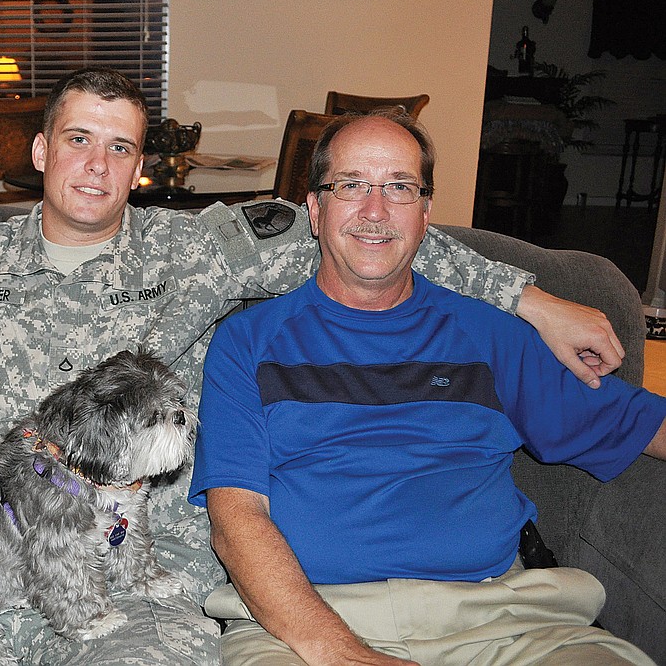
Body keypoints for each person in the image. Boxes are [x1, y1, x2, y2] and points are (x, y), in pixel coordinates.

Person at [0, 69, 621, 665]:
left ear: (141, 168)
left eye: (120, 147)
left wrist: (533, 296)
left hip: (143, 569)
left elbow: (375, 227)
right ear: (39, 151)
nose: (95, 165)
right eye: (77, 139)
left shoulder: (200, 251)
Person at [189, 110, 666, 666]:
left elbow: (632, 421)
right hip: (302, 629)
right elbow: (235, 519)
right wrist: (344, 654)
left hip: (504, 622)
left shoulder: (490, 334)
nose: (376, 210)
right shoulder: (247, 342)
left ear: (424, 214)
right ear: (315, 212)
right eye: (351, 186)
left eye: (399, 187)